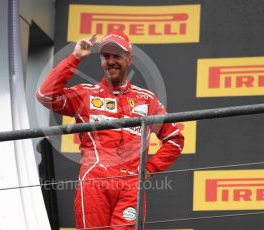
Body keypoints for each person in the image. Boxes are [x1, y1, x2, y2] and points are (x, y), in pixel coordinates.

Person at [36, 31, 184, 229]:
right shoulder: (85, 95)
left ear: (129, 59)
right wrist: (75, 57)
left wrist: (149, 168)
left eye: (117, 56)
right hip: (94, 183)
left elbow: (175, 139)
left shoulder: (146, 100)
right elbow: (45, 95)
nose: (111, 61)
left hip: (131, 185)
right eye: (106, 56)